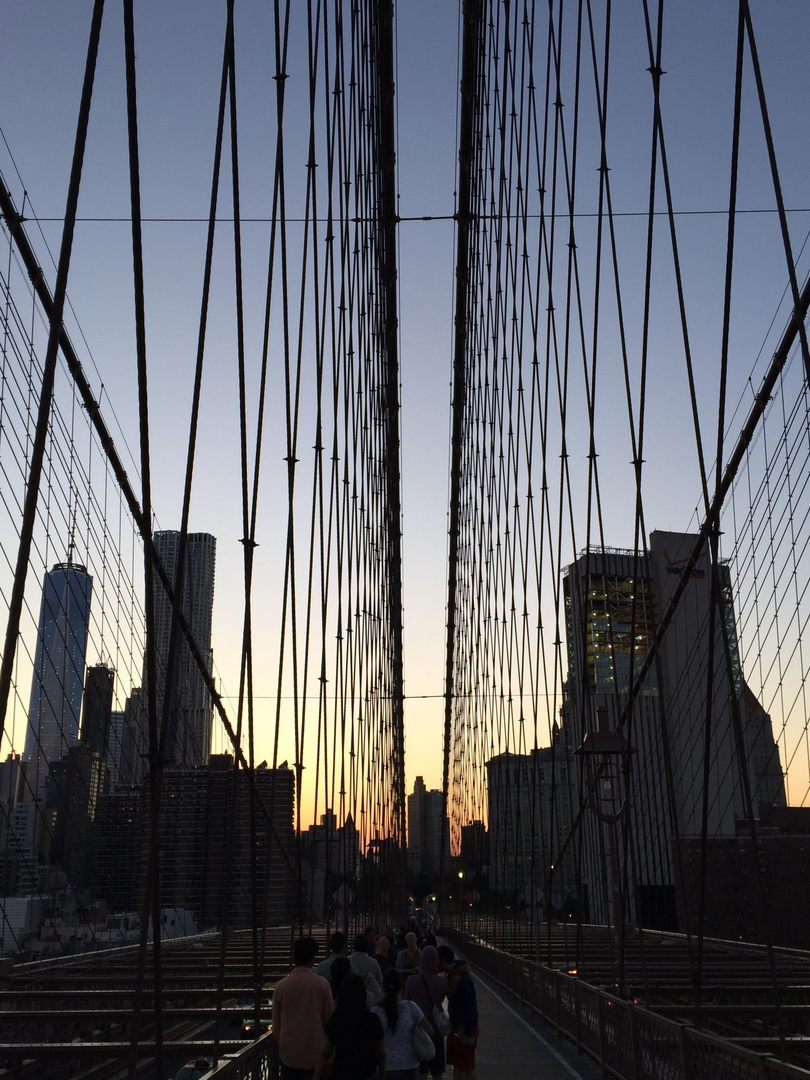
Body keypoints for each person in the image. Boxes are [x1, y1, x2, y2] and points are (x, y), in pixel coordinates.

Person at [272, 936, 334, 1080]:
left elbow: (277, 1028)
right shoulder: (322, 985)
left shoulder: (281, 986)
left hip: (289, 1054)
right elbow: (328, 1021)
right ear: (312, 959)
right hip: (315, 1053)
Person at [316, 972, 386, 1080]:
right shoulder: (373, 1019)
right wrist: (382, 1074)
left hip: (341, 1072)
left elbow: (326, 1051)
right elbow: (380, 1053)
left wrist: (317, 1074)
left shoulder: (336, 1018)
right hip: (367, 1072)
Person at [372, 968, 433, 1080]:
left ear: (383, 988)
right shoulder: (411, 1007)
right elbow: (429, 1030)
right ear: (401, 988)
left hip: (385, 1066)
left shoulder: (375, 1011)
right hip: (410, 1065)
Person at [405, 945, 447, 1079]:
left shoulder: (412, 981)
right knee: (437, 1071)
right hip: (436, 1030)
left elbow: (406, 1002)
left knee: (421, 1070)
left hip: (418, 1031)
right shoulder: (442, 982)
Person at [437, 947, 478, 1080]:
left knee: (467, 1067)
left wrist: (469, 1032)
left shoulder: (462, 978)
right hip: (455, 1026)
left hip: (465, 1028)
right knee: (458, 1065)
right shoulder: (453, 975)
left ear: (443, 960)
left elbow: (470, 1006)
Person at [350, 933, 384, 1004]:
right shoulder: (374, 962)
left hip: (351, 1000)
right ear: (367, 946)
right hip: (371, 1002)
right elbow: (380, 982)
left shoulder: (347, 962)